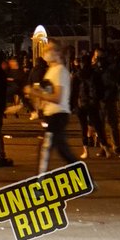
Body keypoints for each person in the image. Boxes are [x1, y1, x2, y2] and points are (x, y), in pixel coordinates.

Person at [26, 43, 78, 174]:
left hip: (58, 114)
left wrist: (35, 93)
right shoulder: (51, 71)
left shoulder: (60, 71)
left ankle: (39, 185)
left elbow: (57, 97)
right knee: (63, 151)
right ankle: (86, 179)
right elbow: (48, 93)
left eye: (47, 51)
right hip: (52, 114)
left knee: (45, 148)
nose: (45, 54)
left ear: (57, 53)